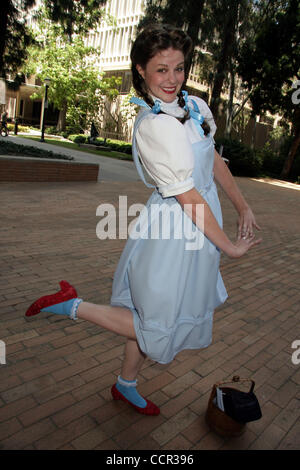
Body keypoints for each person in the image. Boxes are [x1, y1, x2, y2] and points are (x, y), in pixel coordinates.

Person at [25, 24, 262, 416]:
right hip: (176, 230)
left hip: (202, 225)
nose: (172, 79)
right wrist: (231, 248)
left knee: (150, 313)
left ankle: (125, 384)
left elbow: (214, 161)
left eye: (179, 68)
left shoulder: (196, 107)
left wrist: (241, 205)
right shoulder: (153, 126)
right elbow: (187, 196)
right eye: (161, 70)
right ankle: (73, 305)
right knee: (158, 325)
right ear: (140, 70)